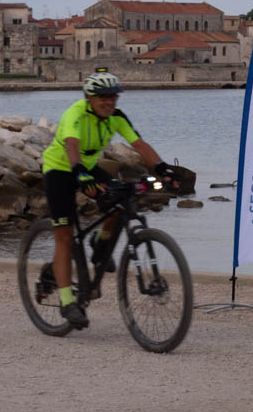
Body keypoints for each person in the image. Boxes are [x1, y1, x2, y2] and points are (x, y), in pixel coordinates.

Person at [39, 71, 175, 330]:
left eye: (113, 96)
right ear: (89, 98)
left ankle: (99, 243)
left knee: (121, 201)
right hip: (60, 170)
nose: (109, 101)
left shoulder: (116, 117)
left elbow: (139, 144)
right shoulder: (75, 114)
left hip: (88, 168)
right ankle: (67, 302)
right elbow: (71, 144)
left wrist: (162, 168)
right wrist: (79, 172)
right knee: (65, 235)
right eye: (103, 97)